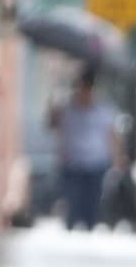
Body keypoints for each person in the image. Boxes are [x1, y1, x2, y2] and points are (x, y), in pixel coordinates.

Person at [52, 70, 124, 230]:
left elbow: (112, 135)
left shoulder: (104, 111)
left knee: (92, 203)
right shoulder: (68, 110)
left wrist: (118, 159)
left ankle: (90, 229)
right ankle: (72, 230)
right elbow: (54, 126)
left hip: (96, 163)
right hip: (73, 163)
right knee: (73, 202)